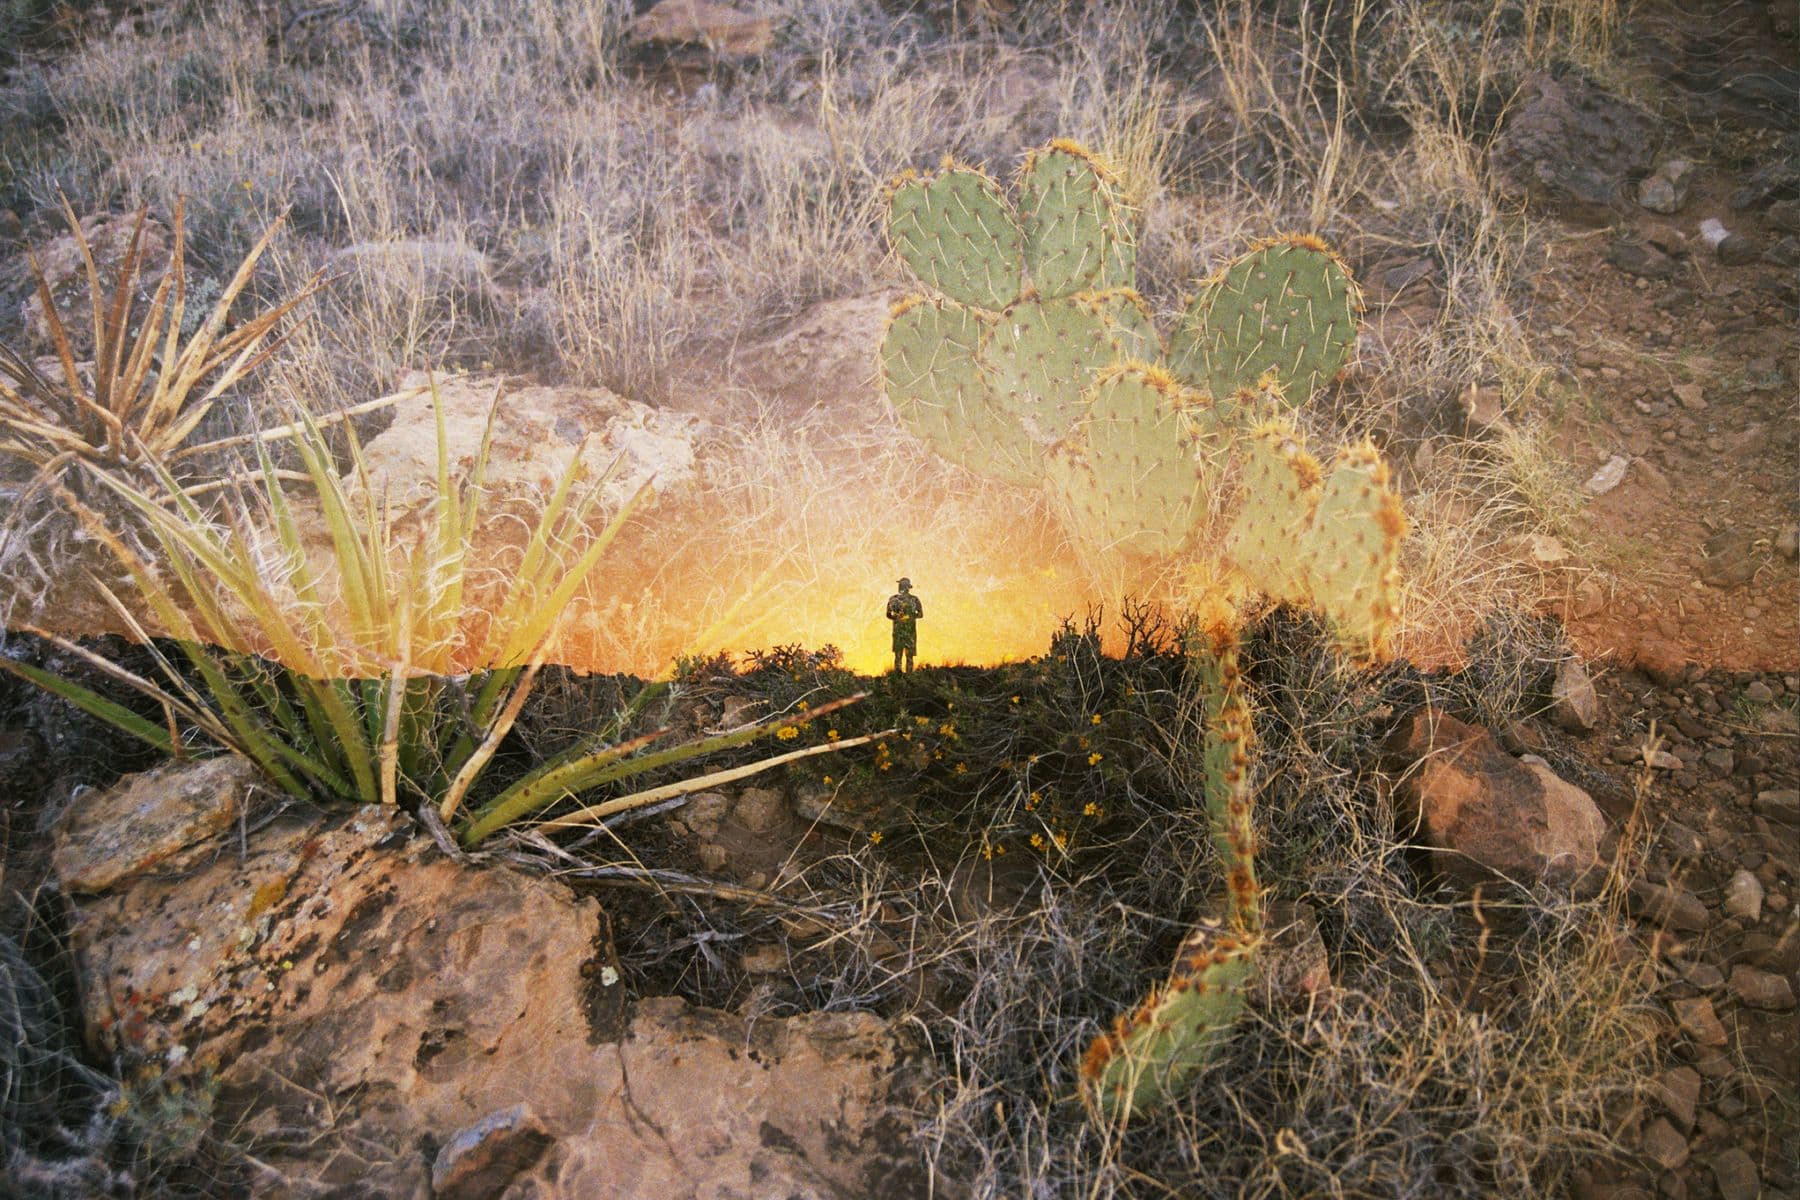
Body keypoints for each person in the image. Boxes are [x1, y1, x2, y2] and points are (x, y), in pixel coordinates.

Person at [886, 577, 923, 673]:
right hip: (905, 631)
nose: (900, 587)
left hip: (903, 631)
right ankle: (904, 677)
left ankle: (903, 677)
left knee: (903, 656)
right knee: (904, 656)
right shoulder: (913, 600)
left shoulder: (895, 599)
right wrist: (905, 617)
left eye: (901, 585)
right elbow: (920, 615)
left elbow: (888, 615)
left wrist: (902, 618)